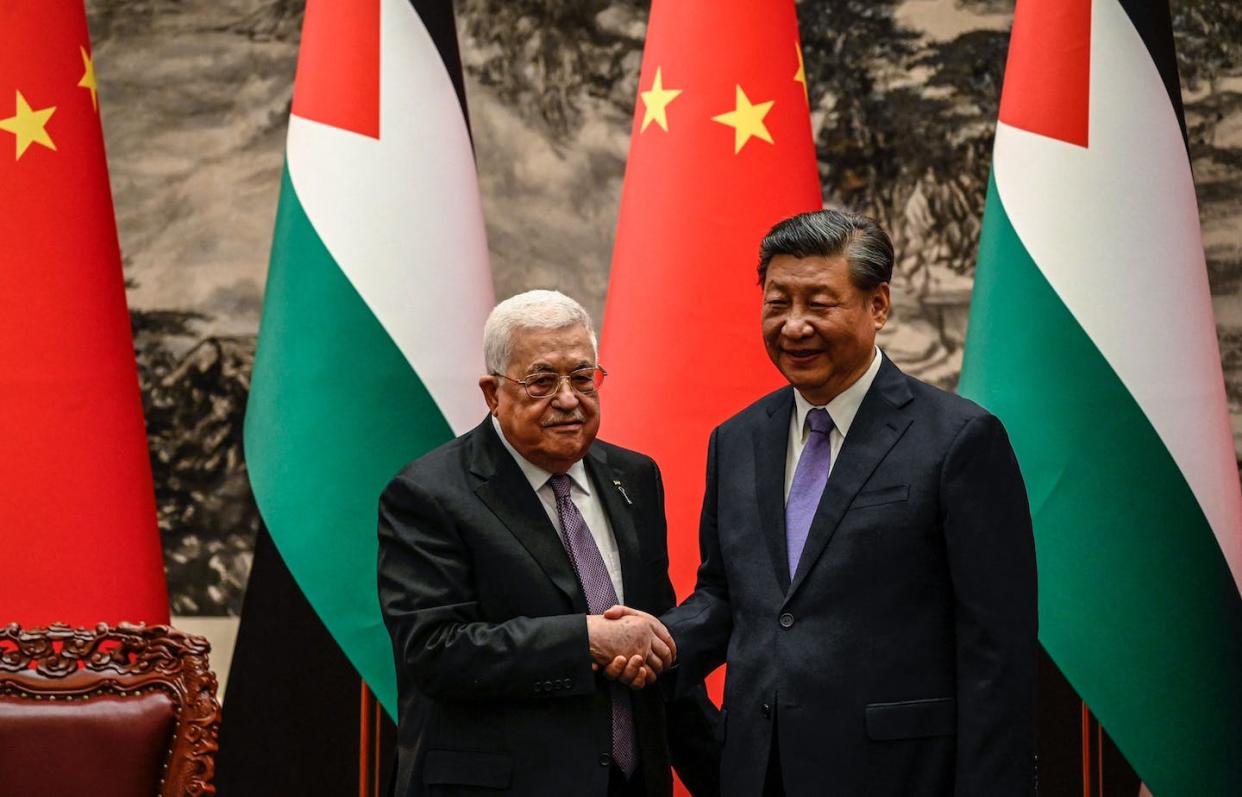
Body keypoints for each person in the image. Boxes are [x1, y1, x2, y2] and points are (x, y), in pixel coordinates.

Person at [612, 210, 1037, 795]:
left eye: (819, 303)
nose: (793, 326)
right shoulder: (736, 439)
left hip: (900, 775)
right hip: (760, 772)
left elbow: (998, 650)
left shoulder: (959, 440)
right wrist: (657, 640)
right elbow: (727, 596)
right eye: (778, 302)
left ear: (878, 306)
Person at [378, 289, 720, 797]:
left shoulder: (634, 476)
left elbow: (650, 642)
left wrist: (727, 773)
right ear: (492, 393)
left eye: (583, 377)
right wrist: (586, 641)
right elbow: (434, 650)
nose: (567, 399)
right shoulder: (428, 493)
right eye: (541, 381)